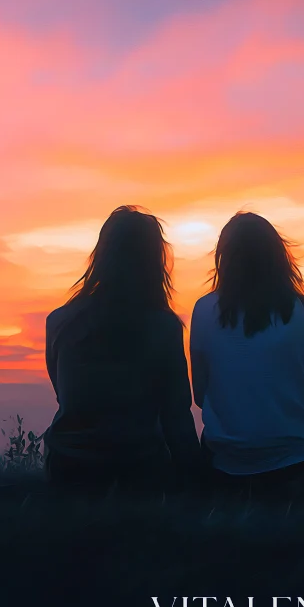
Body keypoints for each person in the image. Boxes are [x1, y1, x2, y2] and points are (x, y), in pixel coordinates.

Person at [45, 205, 200, 495]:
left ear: (101, 256)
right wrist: (197, 481)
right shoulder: (163, 327)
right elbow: (176, 416)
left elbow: (65, 395)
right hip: (137, 469)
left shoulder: (59, 322)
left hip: (68, 467)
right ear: (154, 261)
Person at [190, 211, 304, 502]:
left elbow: (200, 395)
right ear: (279, 258)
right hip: (297, 463)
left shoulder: (204, 310)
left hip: (227, 462)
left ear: (224, 258)